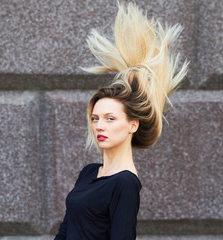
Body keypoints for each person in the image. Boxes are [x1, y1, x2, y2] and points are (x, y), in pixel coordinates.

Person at [54, 2, 188, 239]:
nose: (99, 126)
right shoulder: (89, 173)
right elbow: (66, 229)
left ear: (132, 125)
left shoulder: (125, 183)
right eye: (95, 118)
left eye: (110, 118)